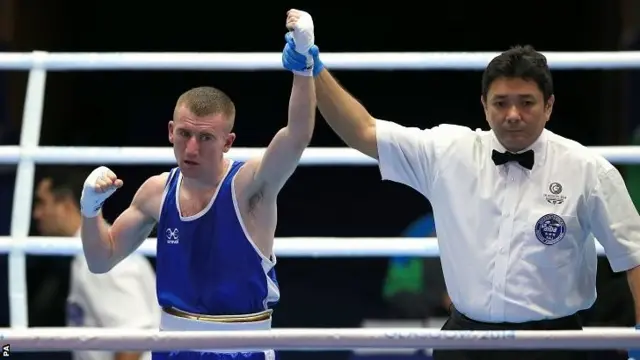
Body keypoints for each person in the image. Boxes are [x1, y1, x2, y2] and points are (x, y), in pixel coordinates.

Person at [281, 10, 640, 360]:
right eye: (501, 103)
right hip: (466, 342)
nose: (513, 114)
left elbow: (635, 257)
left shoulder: (588, 169)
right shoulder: (449, 151)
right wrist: (313, 67)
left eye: (526, 103)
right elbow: (363, 130)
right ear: (484, 106)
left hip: (556, 345)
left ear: (548, 106)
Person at [79, 17, 318, 359]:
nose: (191, 149)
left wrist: (303, 61)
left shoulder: (248, 186)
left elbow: (297, 136)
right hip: (173, 349)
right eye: (184, 135)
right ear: (170, 131)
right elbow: (101, 260)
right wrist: (91, 210)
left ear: (228, 141)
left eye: (206, 138)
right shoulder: (156, 192)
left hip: (243, 350)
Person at [32, 168, 159, 360]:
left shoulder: (103, 260)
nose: (36, 214)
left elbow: (132, 345)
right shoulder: (89, 255)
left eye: (42, 203)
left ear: (65, 205)